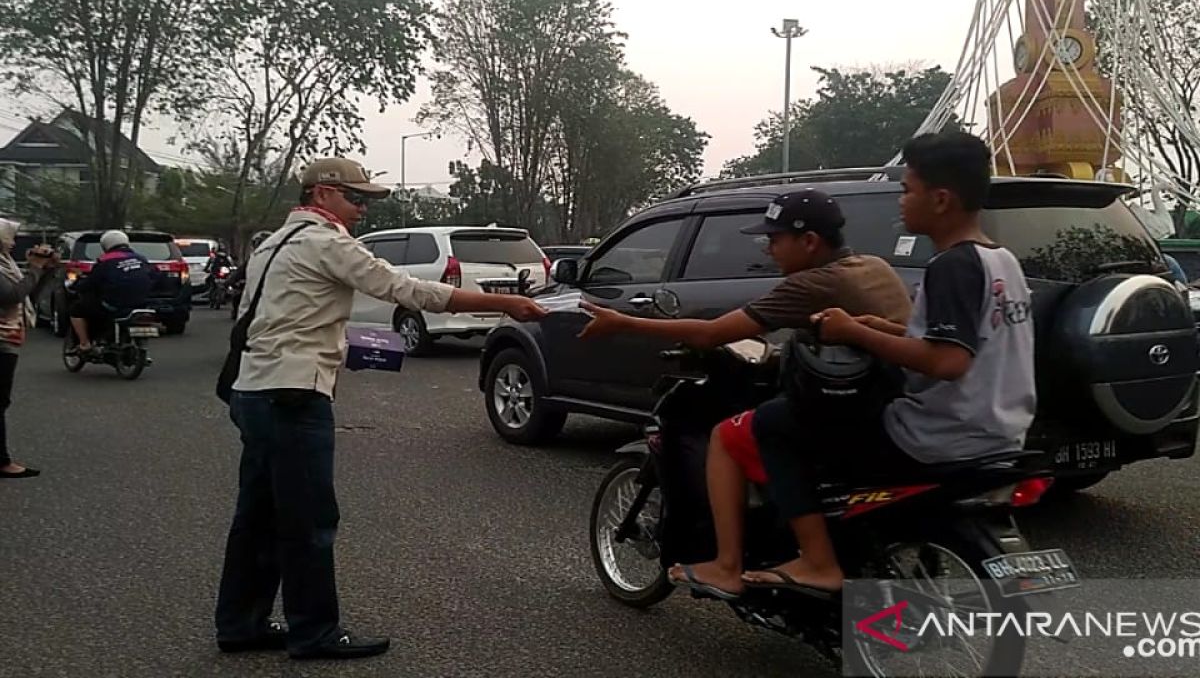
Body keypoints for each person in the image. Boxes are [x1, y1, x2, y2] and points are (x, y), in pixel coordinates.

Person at [214, 157, 548, 661]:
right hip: (293, 396)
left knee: (257, 516)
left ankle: (241, 624)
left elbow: (278, 321)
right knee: (308, 520)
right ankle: (315, 633)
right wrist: (501, 304)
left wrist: (359, 348)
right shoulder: (326, 242)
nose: (362, 209)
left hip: (254, 389)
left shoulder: (271, 245)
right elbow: (405, 290)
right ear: (322, 194)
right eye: (356, 198)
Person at [579, 188, 912, 598]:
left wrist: (622, 322)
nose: (768, 249)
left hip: (856, 409)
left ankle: (729, 566)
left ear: (809, 242)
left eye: (774, 240)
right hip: (897, 398)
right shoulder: (872, 265)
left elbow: (712, 333)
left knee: (730, 435)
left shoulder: (814, 282)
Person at [743, 131, 1036, 593]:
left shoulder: (950, 266)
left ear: (940, 200)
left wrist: (852, 333)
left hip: (938, 435)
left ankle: (817, 562)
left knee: (776, 422)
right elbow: (967, 343)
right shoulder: (1001, 261)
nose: (901, 201)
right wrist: (880, 328)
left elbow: (947, 361)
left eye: (907, 189)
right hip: (1001, 429)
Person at [0, 220, 56, 479]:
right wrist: (34, 268)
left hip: (8, 337)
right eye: (10, 237)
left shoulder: (6, 264)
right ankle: (1, 462)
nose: (14, 242)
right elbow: (11, 295)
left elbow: (27, 296)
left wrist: (45, 271)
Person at [68, 230, 158, 353]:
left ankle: (84, 344)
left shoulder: (105, 261)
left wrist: (78, 286)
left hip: (113, 305)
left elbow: (91, 282)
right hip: (142, 303)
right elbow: (156, 277)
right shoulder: (141, 259)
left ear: (105, 245)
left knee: (76, 310)